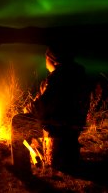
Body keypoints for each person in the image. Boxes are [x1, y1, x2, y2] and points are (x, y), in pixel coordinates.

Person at [11, 44, 91, 176]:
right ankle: (45, 151)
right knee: (29, 120)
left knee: (18, 121)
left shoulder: (57, 78)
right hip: (75, 120)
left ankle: (20, 168)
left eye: (46, 58)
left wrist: (28, 108)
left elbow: (42, 107)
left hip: (60, 122)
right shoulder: (78, 72)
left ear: (52, 60)